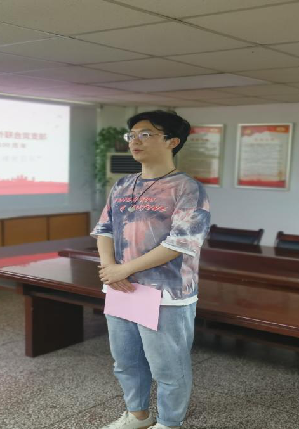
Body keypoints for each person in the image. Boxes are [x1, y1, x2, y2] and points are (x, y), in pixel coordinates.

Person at [92, 110, 210, 429]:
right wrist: (110, 268)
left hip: (165, 293)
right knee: (126, 361)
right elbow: (104, 230)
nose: (135, 141)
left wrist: (122, 270)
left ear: (172, 141)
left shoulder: (187, 188)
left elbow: (180, 244)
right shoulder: (122, 185)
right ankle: (138, 415)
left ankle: (169, 423)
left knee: (168, 367)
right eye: (132, 135)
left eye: (146, 134)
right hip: (121, 288)